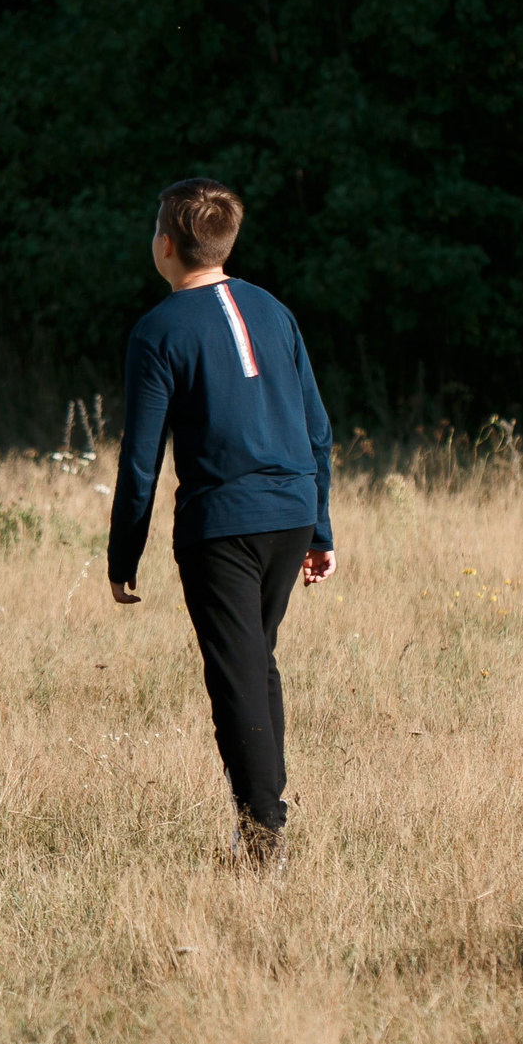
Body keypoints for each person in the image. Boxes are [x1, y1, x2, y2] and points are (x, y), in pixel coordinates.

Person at [106, 177, 335, 874]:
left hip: (222, 526)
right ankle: (260, 819)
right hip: (292, 513)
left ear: (166, 245)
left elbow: (141, 459)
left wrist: (124, 552)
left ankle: (264, 835)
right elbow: (318, 430)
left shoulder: (158, 330)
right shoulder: (275, 311)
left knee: (236, 676)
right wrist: (320, 527)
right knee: (254, 663)